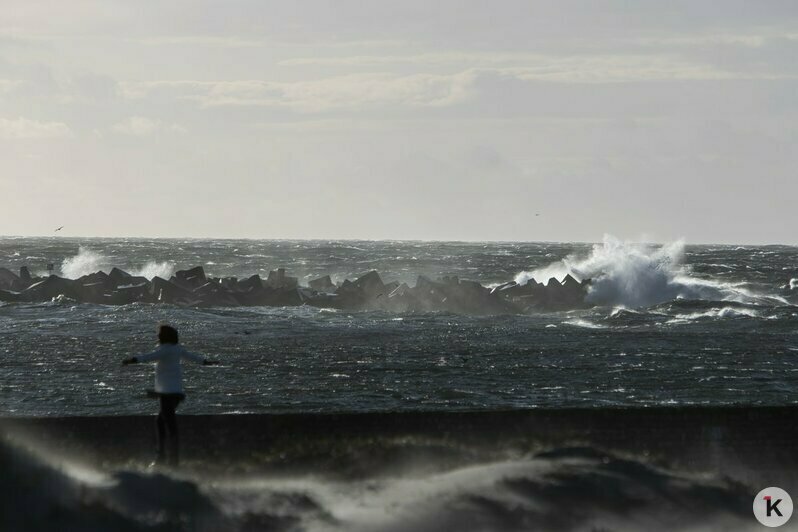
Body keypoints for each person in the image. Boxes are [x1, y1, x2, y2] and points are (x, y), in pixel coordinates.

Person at [122, 324, 218, 466]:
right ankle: (164, 456)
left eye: (159, 334)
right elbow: (192, 357)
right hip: (176, 393)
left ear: (164, 336)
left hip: (167, 393)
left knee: (168, 425)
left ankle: (169, 459)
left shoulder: (165, 350)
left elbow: (148, 357)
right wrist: (206, 362)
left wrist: (131, 360)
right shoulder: (177, 349)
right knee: (162, 422)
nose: (157, 336)